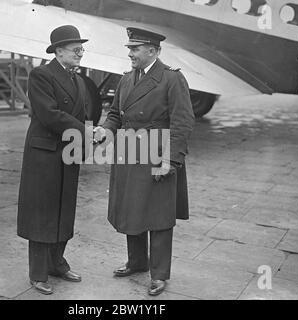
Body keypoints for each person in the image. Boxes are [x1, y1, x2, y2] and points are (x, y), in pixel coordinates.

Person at [94, 27, 195, 296]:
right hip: (129, 152)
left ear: (152, 51)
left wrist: (170, 161)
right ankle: (137, 262)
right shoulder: (127, 79)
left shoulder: (172, 79)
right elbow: (115, 113)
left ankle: (159, 274)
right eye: (129, 48)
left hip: (157, 154)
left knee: (159, 216)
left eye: (134, 49)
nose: (130, 53)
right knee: (132, 208)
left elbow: (182, 122)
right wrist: (106, 128)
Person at [17, 25, 93, 295]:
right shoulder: (41, 75)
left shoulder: (79, 80)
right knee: (42, 213)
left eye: (82, 49)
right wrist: (84, 131)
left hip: (67, 153)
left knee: (64, 209)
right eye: (76, 49)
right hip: (45, 154)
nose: (81, 53)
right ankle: (38, 273)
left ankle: (57, 264)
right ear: (59, 51)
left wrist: (86, 139)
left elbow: (82, 115)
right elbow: (49, 114)